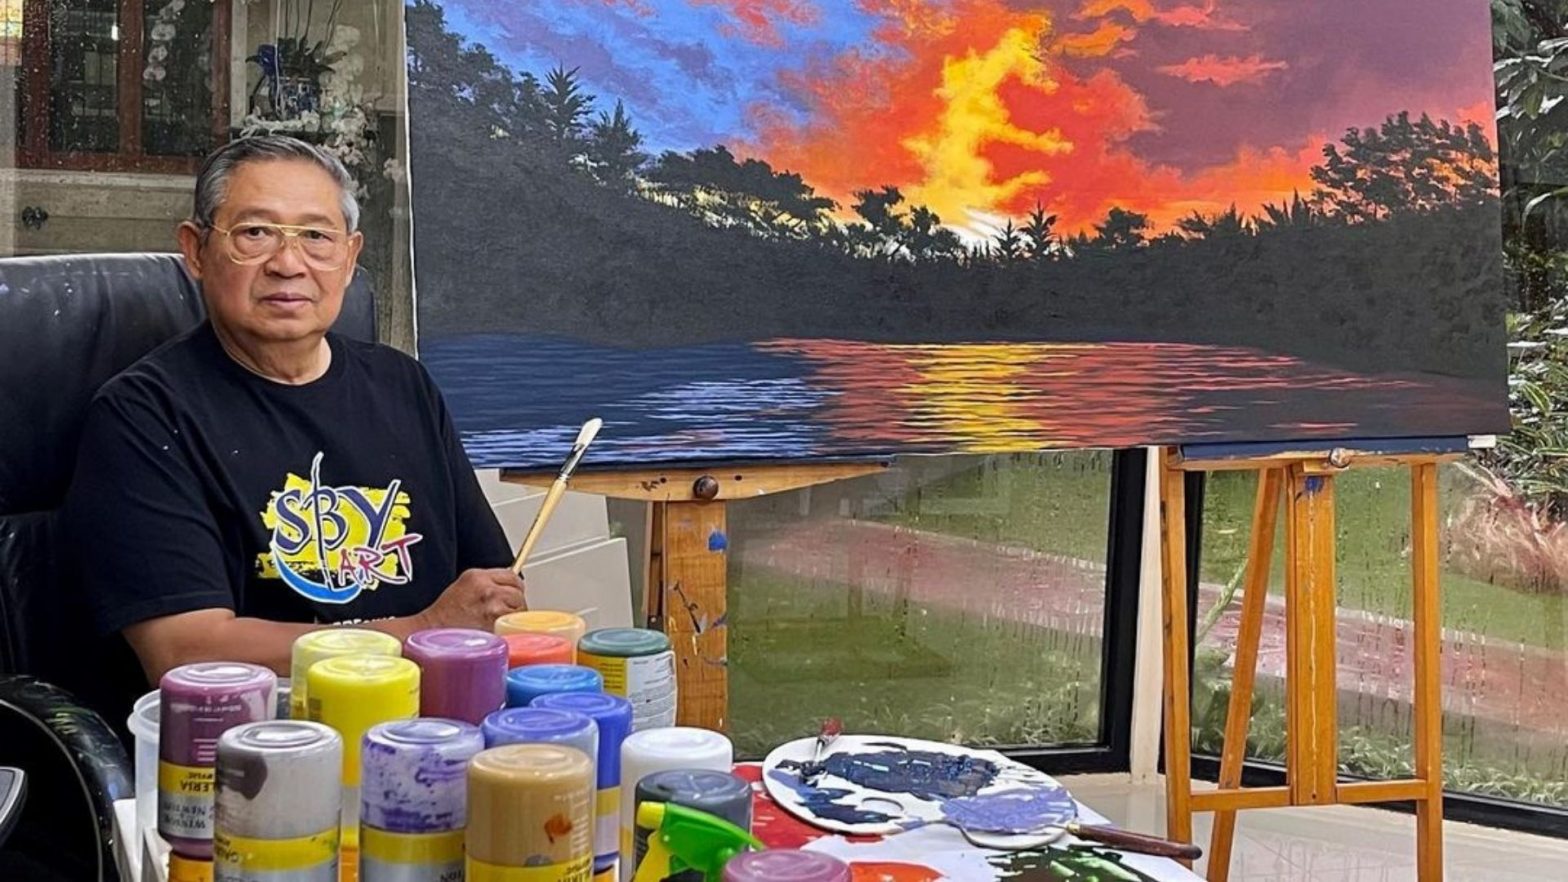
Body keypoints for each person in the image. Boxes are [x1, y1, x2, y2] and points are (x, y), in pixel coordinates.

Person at [61, 135, 526, 686]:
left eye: (316, 236)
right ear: (196, 250)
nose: (288, 264)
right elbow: (185, 651)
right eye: (255, 233)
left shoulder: (404, 385)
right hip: (259, 727)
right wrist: (419, 633)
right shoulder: (143, 415)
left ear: (349, 258)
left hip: (429, 716)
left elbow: (490, 590)